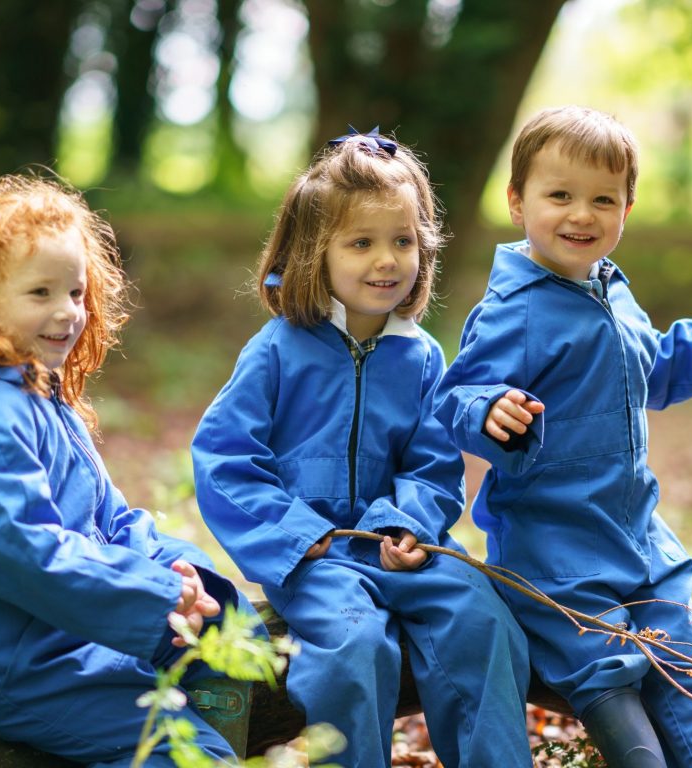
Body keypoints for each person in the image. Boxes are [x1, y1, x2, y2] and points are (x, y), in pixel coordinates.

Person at [191, 128, 533, 768]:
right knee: (355, 649)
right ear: (313, 253)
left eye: (403, 241)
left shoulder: (421, 355)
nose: (387, 261)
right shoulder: (277, 351)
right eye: (361, 243)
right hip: (317, 557)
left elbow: (434, 464)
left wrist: (407, 526)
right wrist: (297, 534)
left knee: (482, 622)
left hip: (401, 546)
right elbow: (225, 459)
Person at [433, 105, 692, 767]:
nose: (582, 214)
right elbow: (453, 396)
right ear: (518, 202)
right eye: (560, 195)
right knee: (612, 682)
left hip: (638, 538)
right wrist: (487, 410)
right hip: (555, 550)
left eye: (604, 199)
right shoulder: (513, 310)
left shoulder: (612, 292)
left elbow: (657, 369)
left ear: (628, 207)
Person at [0, 174, 251, 767]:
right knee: (193, 754)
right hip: (20, 658)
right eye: (39, 293)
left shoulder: (42, 397)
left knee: (238, 638)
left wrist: (181, 571)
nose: (67, 312)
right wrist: (155, 598)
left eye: (75, 292)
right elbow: (21, 552)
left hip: (70, 629)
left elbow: (113, 520)